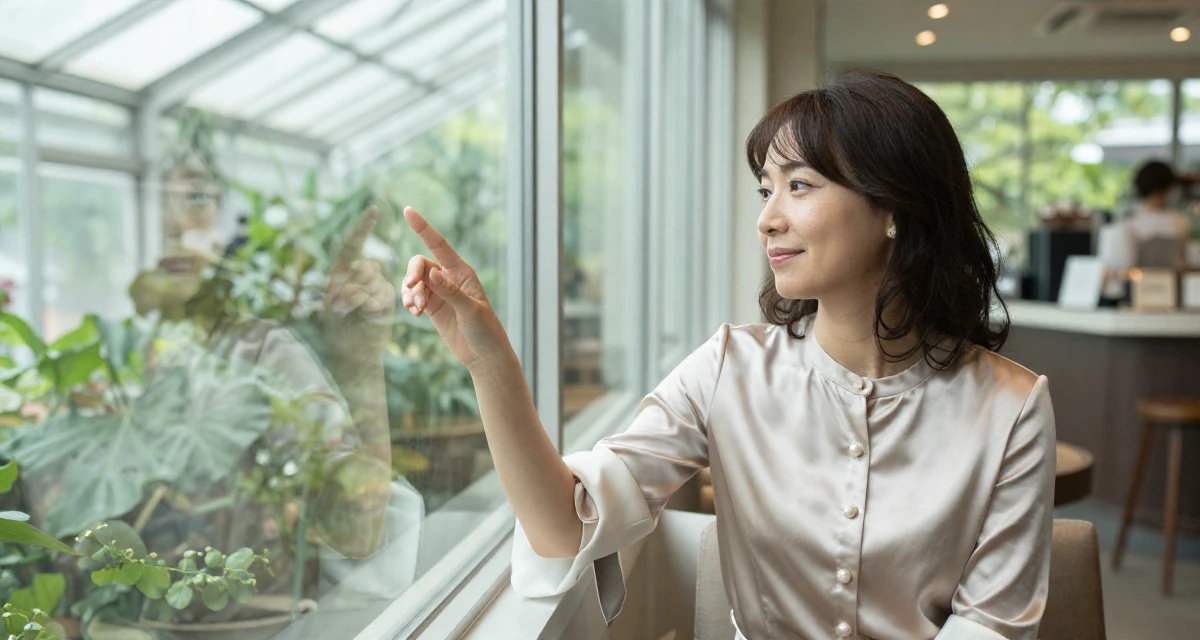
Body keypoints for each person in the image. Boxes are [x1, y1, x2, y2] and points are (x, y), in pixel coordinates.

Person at [399, 70, 1055, 640]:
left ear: (894, 209)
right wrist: (490, 363)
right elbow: (565, 529)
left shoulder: (1012, 406)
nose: (768, 217)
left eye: (799, 186)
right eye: (765, 189)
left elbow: (990, 624)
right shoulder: (727, 369)